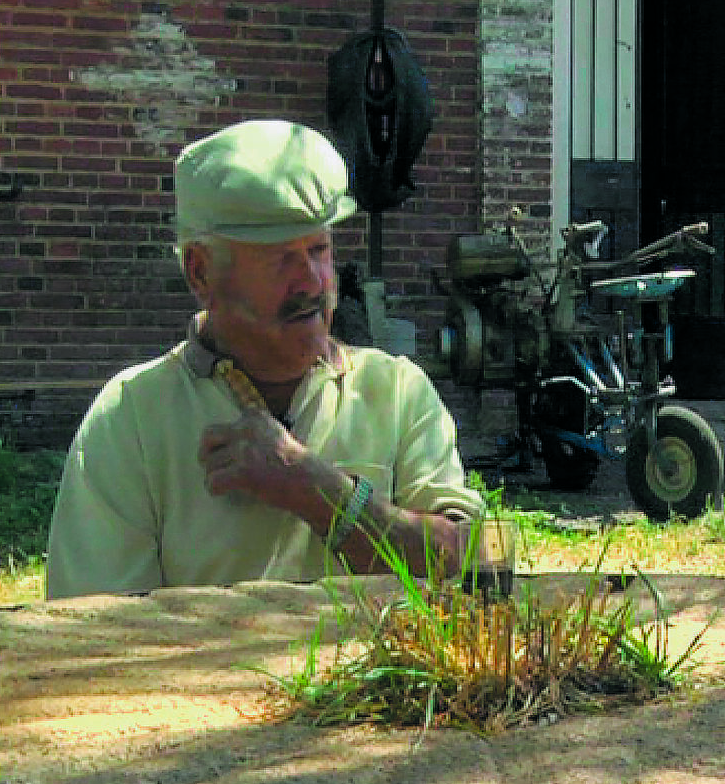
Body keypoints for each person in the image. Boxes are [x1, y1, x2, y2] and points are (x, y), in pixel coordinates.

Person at [47, 119, 483, 599]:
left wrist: (322, 494)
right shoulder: (131, 417)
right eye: (281, 259)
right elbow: (96, 632)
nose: (313, 283)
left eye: (318, 250)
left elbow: (466, 569)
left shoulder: (397, 392)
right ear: (201, 272)